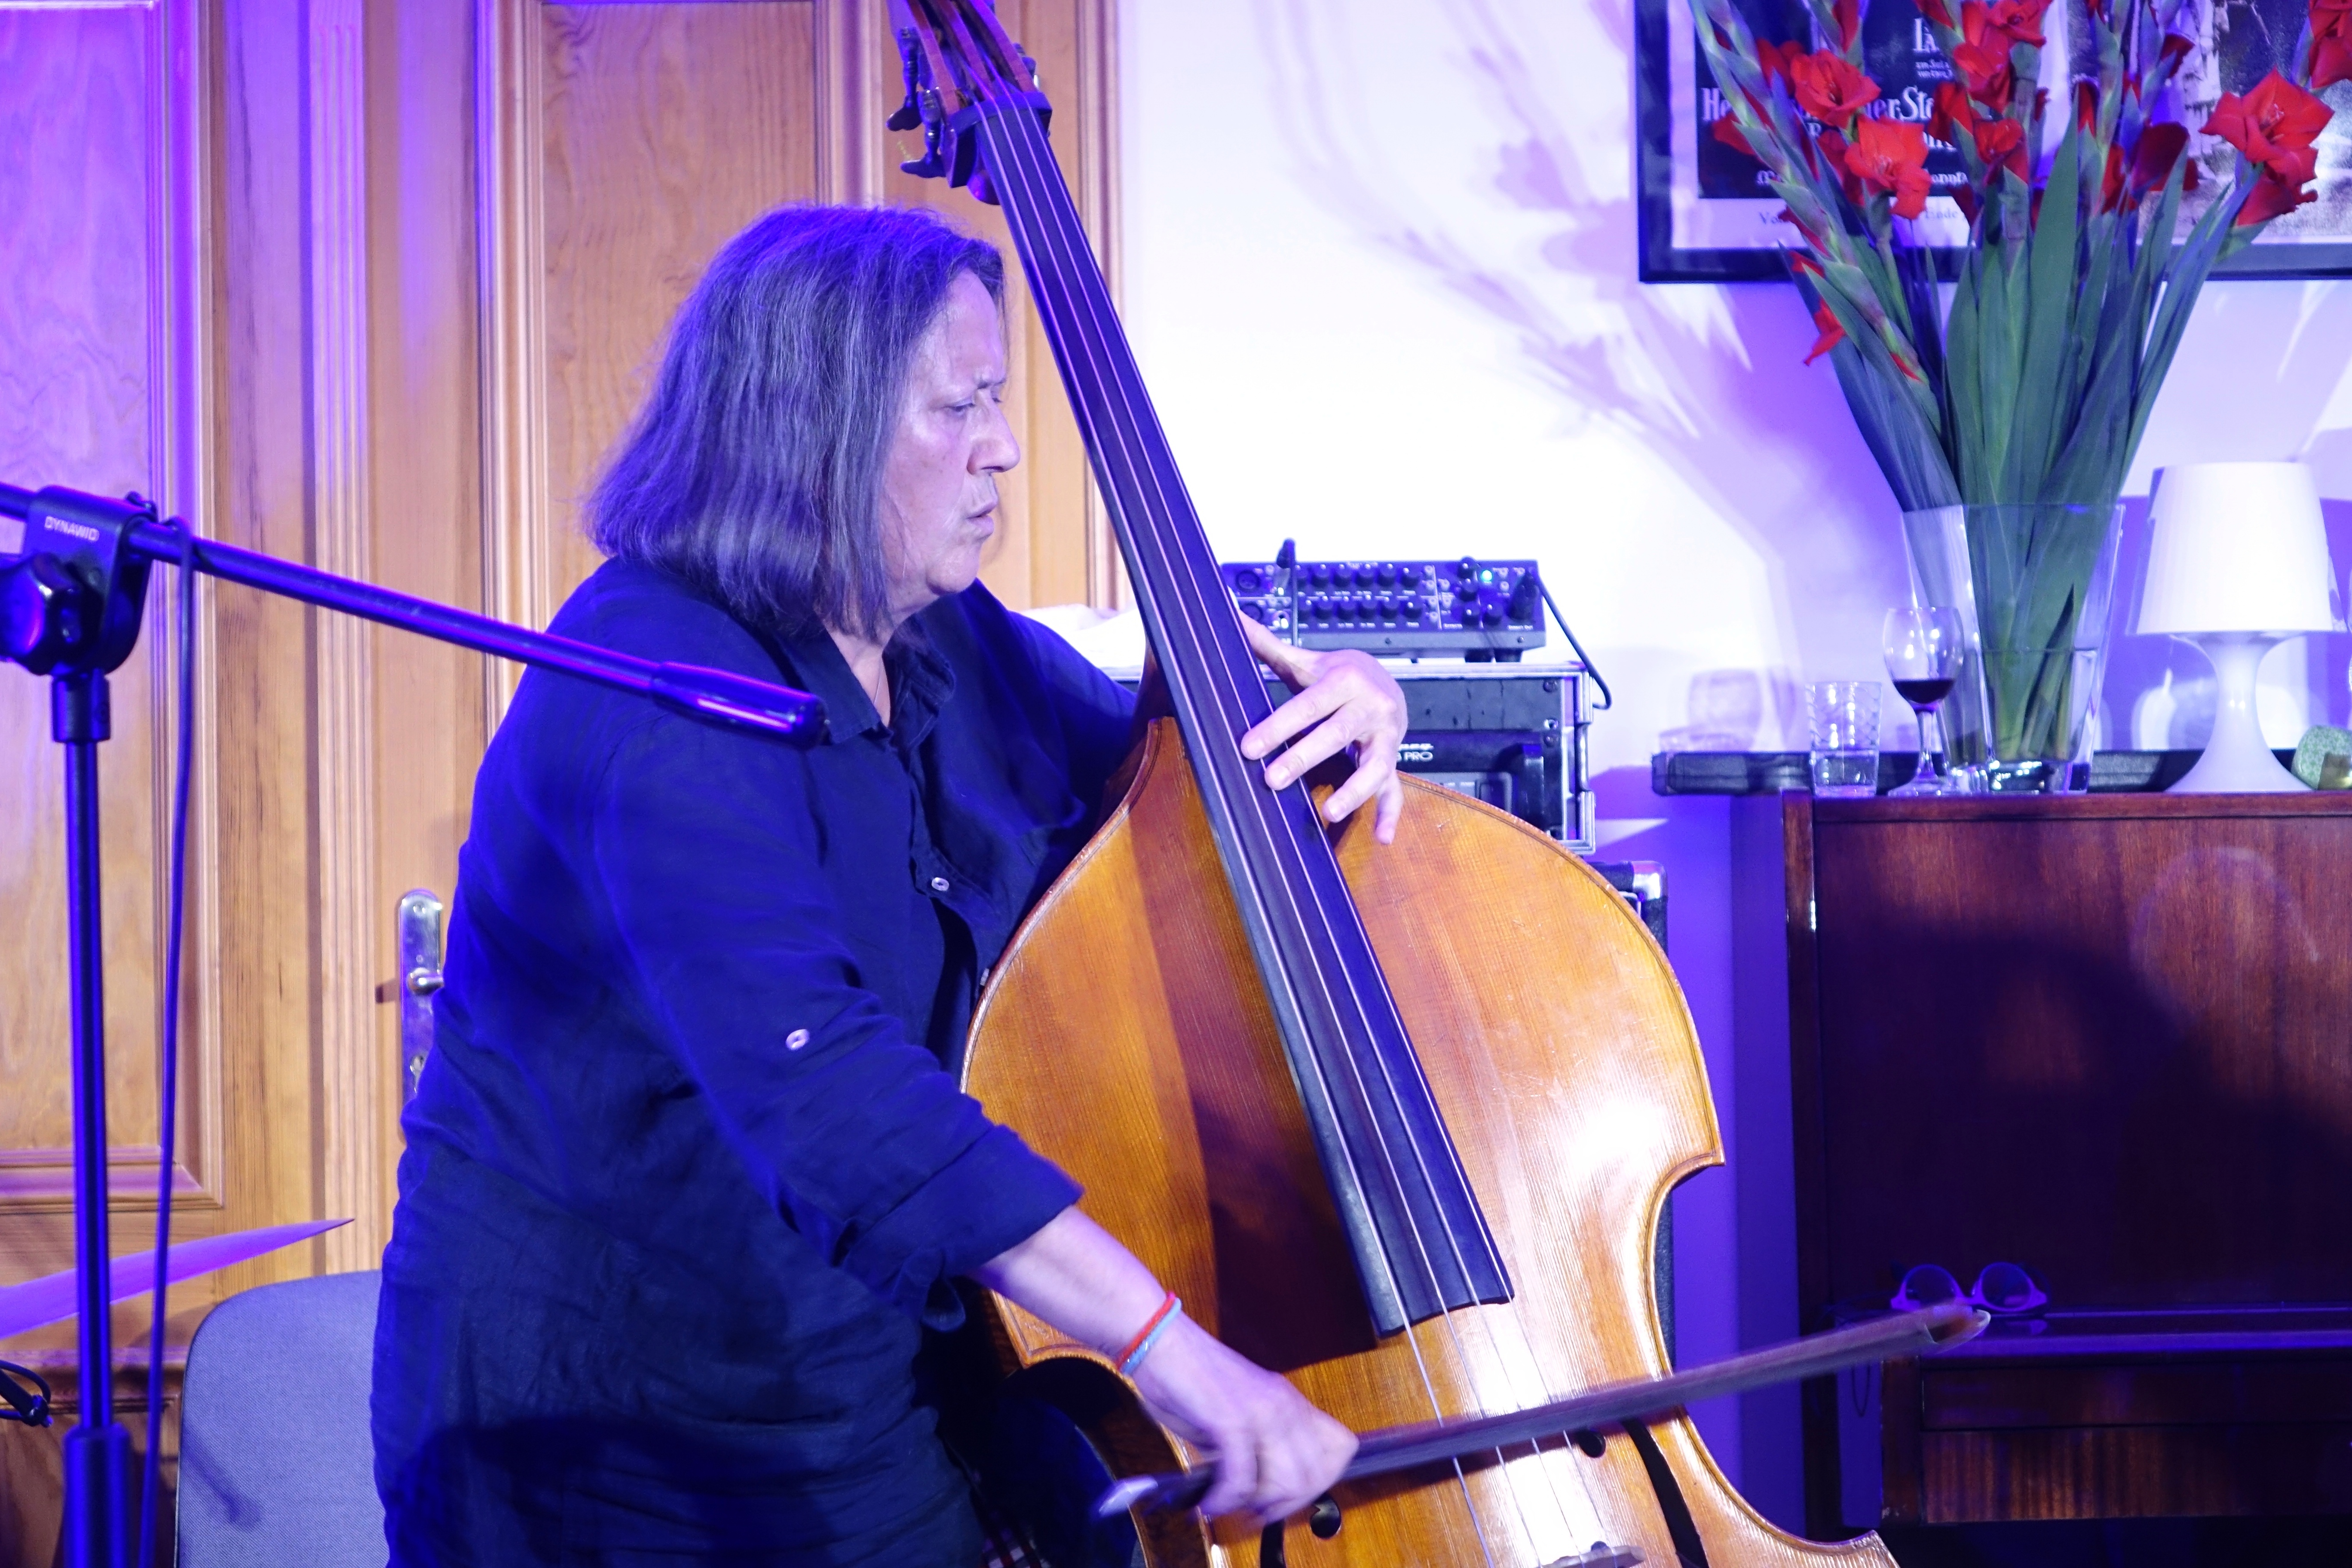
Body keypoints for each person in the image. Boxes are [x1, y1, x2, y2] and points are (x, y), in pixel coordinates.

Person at [371, 204, 1405, 1566]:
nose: (1005, 443)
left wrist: (1358, 698)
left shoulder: (945, 634)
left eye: (1000, 397)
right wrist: (1172, 1352)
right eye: (957, 407)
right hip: (614, 1428)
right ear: (814, 429)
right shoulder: (654, 681)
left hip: (865, 1380)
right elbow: (830, 1090)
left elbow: (1164, 790)